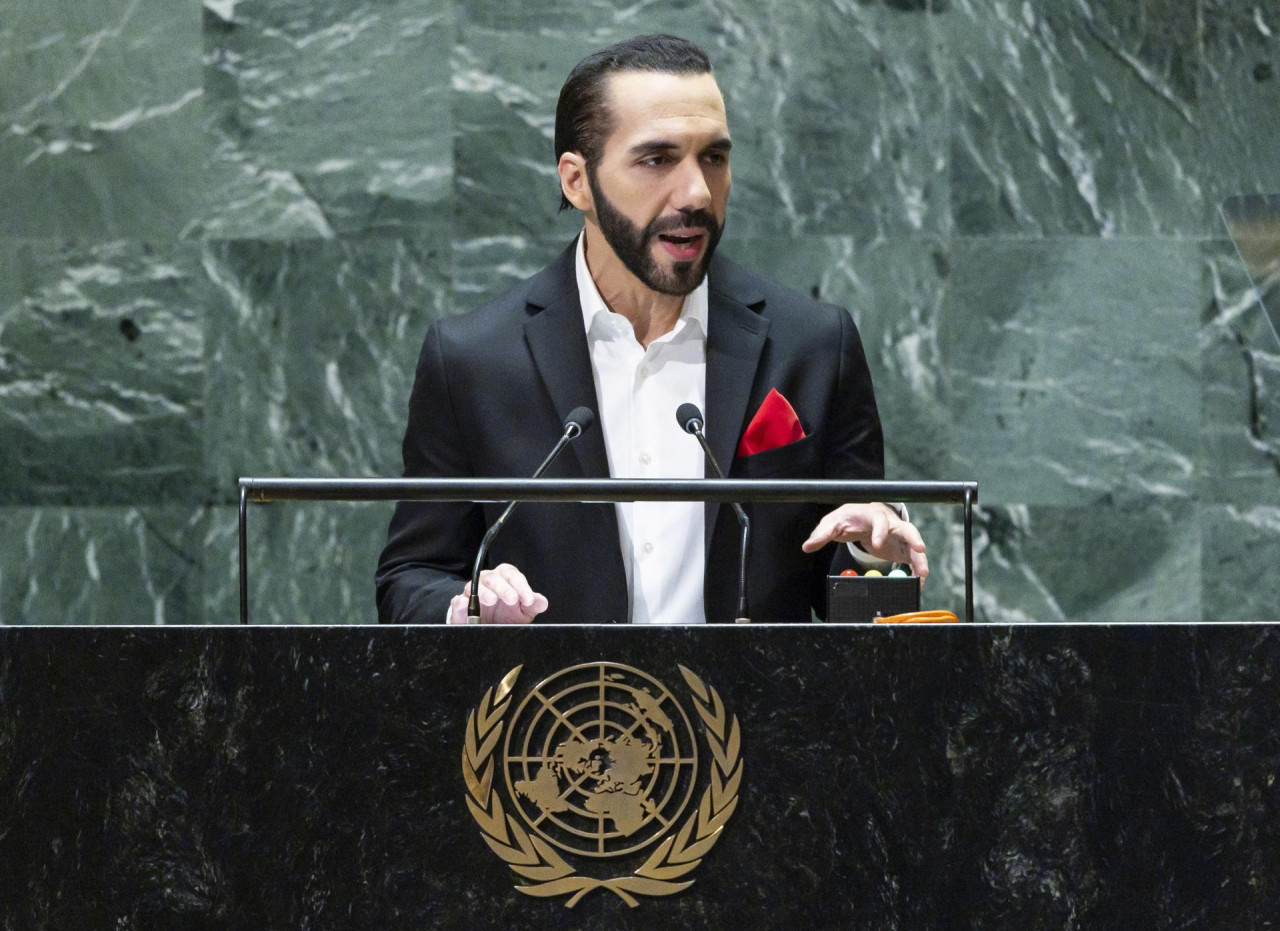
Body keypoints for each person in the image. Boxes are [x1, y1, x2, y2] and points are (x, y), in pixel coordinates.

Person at [376, 34, 928, 625]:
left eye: (713, 157)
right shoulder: (473, 359)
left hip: (750, 714)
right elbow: (413, 576)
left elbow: (847, 589)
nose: (696, 192)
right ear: (576, 181)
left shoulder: (815, 346)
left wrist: (873, 557)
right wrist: (468, 609)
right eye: (656, 159)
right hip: (556, 713)